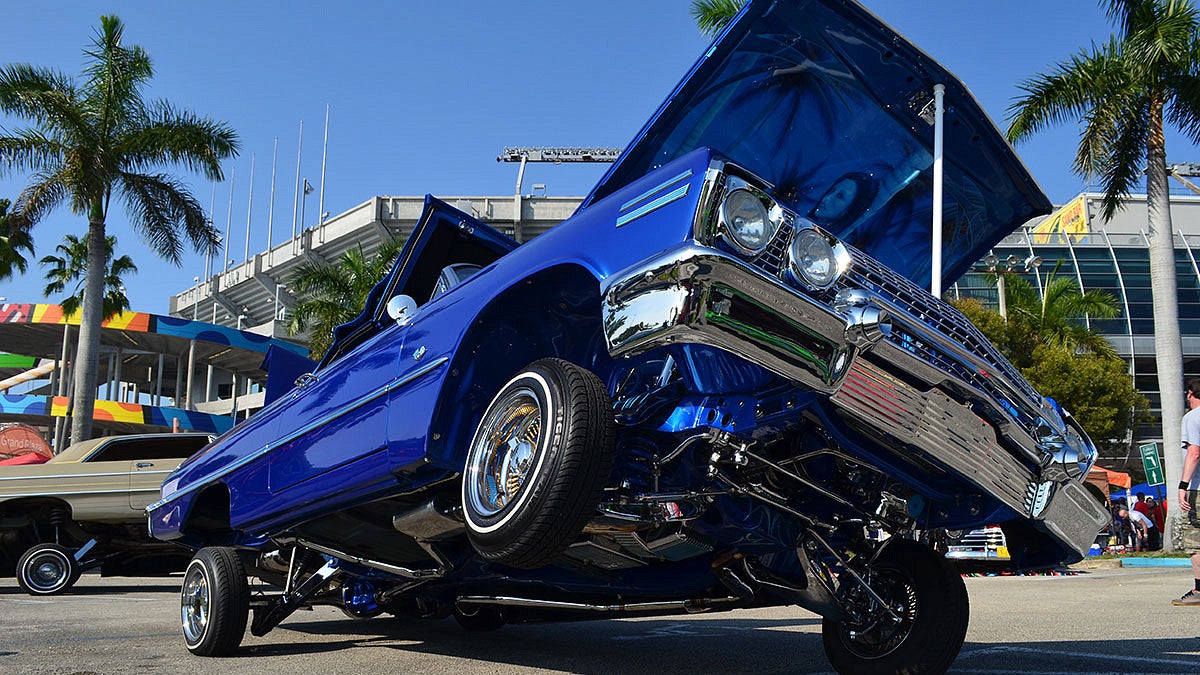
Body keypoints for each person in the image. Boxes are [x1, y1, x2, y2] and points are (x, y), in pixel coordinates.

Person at [1173, 378, 1200, 606]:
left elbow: (1194, 453)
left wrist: (1183, 485)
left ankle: (1199, 589)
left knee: (1195, 540)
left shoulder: (1192, 417)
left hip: (1198, 488)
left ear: (1190, 393)